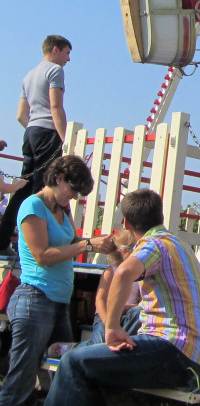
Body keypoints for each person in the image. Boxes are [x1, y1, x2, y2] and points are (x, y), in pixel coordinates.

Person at [45, 188, 200, 406]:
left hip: (171, 350)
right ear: (161, 216)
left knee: (72, 363)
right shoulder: (180, 244)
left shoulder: (154, 244)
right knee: (92, 373)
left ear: (127, 223)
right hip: (185, 353)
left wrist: (112, 327)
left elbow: (123, 272)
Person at [0, 155, 115, 406]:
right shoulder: (33, 206)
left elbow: (72, 242)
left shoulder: (62, 209)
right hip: (34, 301)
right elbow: (42, 255)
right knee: (20, 381)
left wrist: (100, 243)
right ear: (59, 178)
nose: (74, 196)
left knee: (66, 373)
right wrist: (87, 244)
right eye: (74, 190)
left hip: (57, 304)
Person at [0, 35, 73, 252]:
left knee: (23, 188)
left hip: (31, 132)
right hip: (49, 132)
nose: (68, 59)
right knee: (46, 188)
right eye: (67, 53)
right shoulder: (55, 71)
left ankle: (3, 239)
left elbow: (21, 115)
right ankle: (40, 242)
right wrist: (65, 139)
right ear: (55, 49)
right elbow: (56, 107)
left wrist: (33, 128)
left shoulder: (28, 76)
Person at [48, 229, 142, 357]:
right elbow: (100, 300)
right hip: (107, 314)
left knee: (136, 316)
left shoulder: (137, 274)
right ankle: (68, 348)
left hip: (126, 314)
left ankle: (122, 348)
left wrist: (135, 306)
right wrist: (108, 323)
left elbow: (143, 299)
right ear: (125, 251)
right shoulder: (111, 271)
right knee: (98, 344)